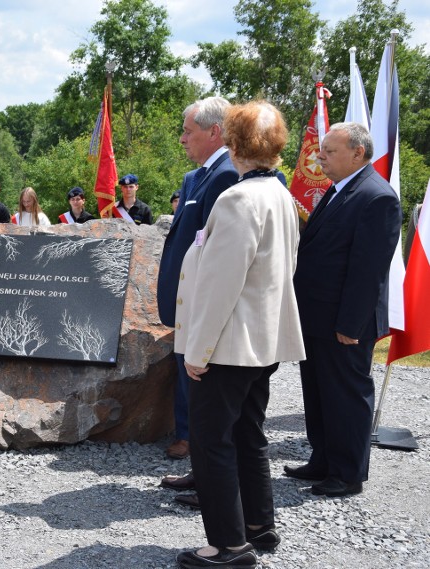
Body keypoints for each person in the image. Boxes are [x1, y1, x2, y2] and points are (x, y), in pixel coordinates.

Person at [174, 101, 305, 568]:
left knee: (213, 442)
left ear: (232, 144)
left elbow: (221, 284)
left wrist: (198, 349)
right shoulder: (280, 195)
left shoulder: (237, 199)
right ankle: (258, 524)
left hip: (228, 345)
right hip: (261, 341)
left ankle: (228, 546)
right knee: (249, 433)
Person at [286, 122, 401, 497]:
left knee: (346, 396)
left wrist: (350, 323)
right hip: (317, 317)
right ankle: (323, 460)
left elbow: (367, 270)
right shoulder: (337, 190)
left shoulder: (376, 197)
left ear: (357, 153)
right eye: (321, 151)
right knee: (318, 392)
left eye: (329, 151)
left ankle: (348, 473)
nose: (320, 158)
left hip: (344, 322)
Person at [157, 96, 238, 465]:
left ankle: (198, 447)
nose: (181, 139)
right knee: (186, 367)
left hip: (202, 296)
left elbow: (214, 247)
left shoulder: (225, 174)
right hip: (185, 297)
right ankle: (191, 439)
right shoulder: (199, 175)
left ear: (215, 131)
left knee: (200, 371)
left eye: (189, 131)